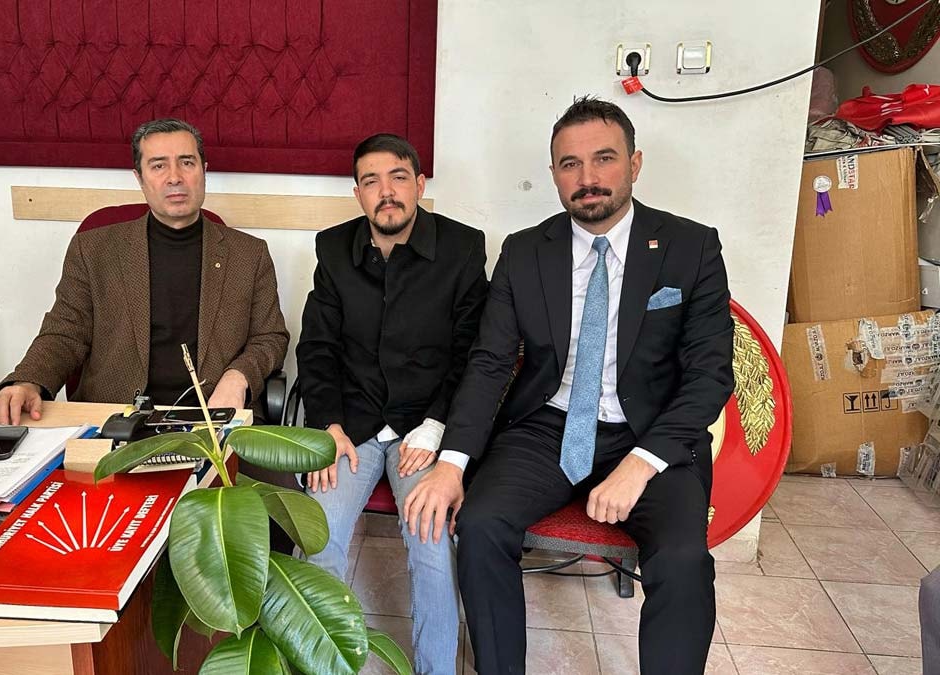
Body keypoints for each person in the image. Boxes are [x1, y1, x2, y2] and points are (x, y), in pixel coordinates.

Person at [404, 96, 735, 674]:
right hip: (546, 427)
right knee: (480, 526)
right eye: (569, 164)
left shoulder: (691, 247)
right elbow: (489, 362)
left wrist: (641, 463)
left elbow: (710, 374)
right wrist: (452, 462)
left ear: (634, 164)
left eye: (604, 158)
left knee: (683, 560)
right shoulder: (525, 251)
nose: (587, 178)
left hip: (651, 435)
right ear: (554, 174)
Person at [0, 119, 294, 535]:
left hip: (209, 425)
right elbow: (65, 330)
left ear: (204, 170)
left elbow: (270, 336)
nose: (175, 177)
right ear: (139, 177)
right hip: (118, 422)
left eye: (187, 162)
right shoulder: (94, 249)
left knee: (271, 519)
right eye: (158, 165)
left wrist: (239, 376)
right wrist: (27, 380)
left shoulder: (248, 254)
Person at [296, 133, 488, 675]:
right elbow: (317, 348)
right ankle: (320, 665)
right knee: (317, 536)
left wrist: (437, 425)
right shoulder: (333, 249)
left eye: (398, 177)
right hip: (350, 426)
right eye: (371, 181)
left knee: (430, 540)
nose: (387, 192)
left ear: (420, 185)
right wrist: (327, 425)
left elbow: (474, 354)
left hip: (423, 429)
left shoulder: (462, 248)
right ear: (357, 193)